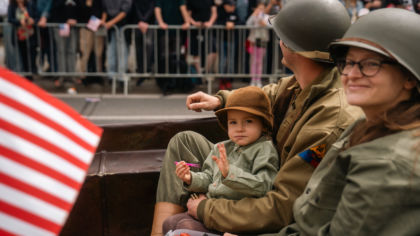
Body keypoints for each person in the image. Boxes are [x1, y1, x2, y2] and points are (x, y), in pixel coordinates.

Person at [150, 0, 362, 235]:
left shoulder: (330, 120)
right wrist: (222, 100)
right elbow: (269, 95)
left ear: (291, 46)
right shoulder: (307, 82)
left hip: (275, 206)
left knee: (180, 225)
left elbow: (284, 206)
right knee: (185, 142)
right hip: (259, 173)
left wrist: (207, 209)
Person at [257, 8, 420, 236]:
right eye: (348, 62)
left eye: (371, 64)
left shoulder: (388, 163)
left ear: (410, 78)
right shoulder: (368, 126)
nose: (351, 74)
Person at [163, 86, 279, 235]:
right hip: (210, 205)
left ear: (263, 124)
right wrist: (190, 178)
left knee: (183, 228)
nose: (240, 128)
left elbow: (264, 185)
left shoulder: (264, 149)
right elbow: (209, 177)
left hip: (233, 215)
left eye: (248, 121)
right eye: (233, 122)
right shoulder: (221, 147)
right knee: (169, 223)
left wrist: (230, 173)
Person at [7, 0, 37, 81]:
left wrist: (33, 20)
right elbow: (10, 19)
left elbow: (36, 16)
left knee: (31, 55)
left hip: (30, 34)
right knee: (22, 56)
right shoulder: (12, 6)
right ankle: (23, 75)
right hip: (19, 35)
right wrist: (19, 22)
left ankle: (30, 74)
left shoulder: (30, 5)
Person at [246, 1, 269, 87]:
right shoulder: (253, 17)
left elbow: (271, 26)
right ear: (256, 9)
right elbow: (247, 24)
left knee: (260, 62)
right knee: (253, 61)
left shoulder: (266, 17)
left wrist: (265, 24)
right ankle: (253, 79)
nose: (261, 10)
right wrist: (253, 15)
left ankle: (258, 80)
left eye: (262, 8)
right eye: (259, 8)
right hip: (253, 41)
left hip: (262, 41)